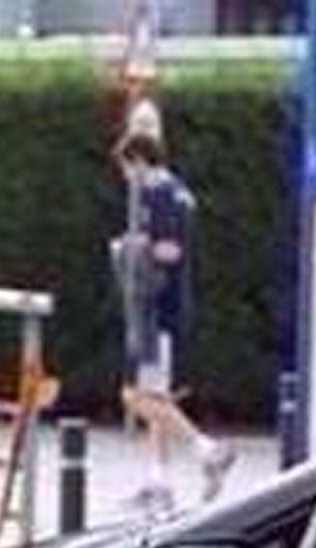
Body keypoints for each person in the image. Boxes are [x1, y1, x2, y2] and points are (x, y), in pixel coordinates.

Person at [110, 118, 234, 510]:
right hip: (167, 308)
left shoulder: (159, 195)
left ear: (139, 161)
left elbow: (169, 251)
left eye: (127, 168)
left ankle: (208, 450)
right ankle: (159, 480)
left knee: (136, 396)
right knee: (157, 396)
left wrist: (130, 248)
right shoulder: (179, 192)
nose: (127, 178)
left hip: (155, 310)